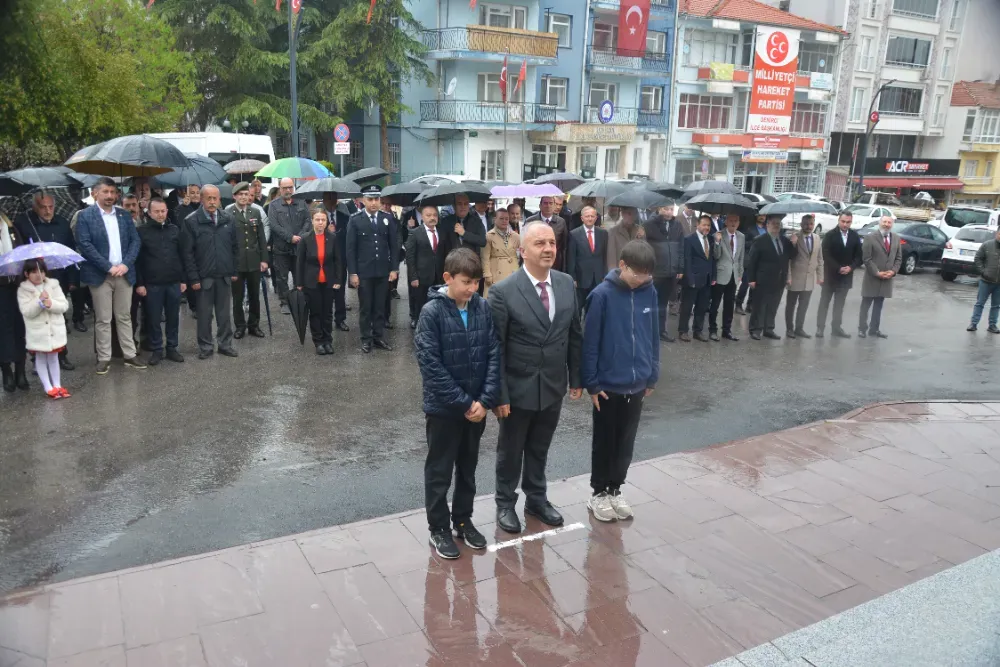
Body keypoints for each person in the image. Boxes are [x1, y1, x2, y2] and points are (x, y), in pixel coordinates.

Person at [488, 221, 583, 534]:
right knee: (511, 450)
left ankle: (536, 498)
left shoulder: (566, 283)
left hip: (553, 385)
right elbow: (495, 349)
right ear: (523, 251)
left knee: (540, 446)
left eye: (552, 243)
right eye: (540, 243)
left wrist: (576, 378)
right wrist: (499, 394)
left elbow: (574, 334)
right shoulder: (503, 292)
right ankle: (505, 502)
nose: (548, 249)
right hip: (517, 389)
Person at [414, 248, 501, 559]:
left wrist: (485, 400)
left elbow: (493, 353)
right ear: (448, 278)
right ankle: (438, 527)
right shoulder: (432, 313)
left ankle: (463, 520)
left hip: (476, 410)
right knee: (440, 470)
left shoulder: (482, 307)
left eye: (476, 282)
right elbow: (430, 365)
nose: (472, 289)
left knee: (468, 468)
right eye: (466, 282)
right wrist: (464, 403)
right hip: (444, 410)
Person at [581, 240, 658, 522]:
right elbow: (590, 343)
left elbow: (653, 335)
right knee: (605, 441)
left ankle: (615, 489)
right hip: (608, 385)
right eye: (637, 274)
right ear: (622, 265)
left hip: (637, 382)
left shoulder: (650, 292)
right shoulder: (601, 296)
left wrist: (652, 373)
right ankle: (599, 493)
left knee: (626, 442)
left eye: (646, 276)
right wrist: (592, 383)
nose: (641, 280)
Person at [75, 176, 146, 374]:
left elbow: (135, 242)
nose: (109, 196)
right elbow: (85, 244)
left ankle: (129, 354)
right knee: (103, 318)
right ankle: (104, 357)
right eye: (105, 192)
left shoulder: (123, 215)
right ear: (94, 193)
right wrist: (107, 266)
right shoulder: (85, 216)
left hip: (124, 273)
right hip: (100, 274)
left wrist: (125, 264)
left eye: (113, 192)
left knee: (124, 316)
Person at [13, 191, 81, 366]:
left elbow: (70, 250)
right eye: (43, 207)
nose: (48, 211)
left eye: (51, 207)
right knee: (36, 321)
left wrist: (73, 279)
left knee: (58, 318)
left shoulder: (62, 223)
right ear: (35, 207)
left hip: (57, 277)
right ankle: (39, 358)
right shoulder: (24, 222)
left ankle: (61, 355)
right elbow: (18, 249)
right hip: (33, 278)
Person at [180, 184, 240, 359]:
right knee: (204, 315)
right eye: (209, 198)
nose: (212, 202)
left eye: (215, 198)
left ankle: (225, 345)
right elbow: (187, 253)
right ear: (201, 199)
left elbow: (235, 248)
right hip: (203, 277)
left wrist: (234, 270)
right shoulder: (191, 221)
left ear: (219, 199)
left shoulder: (228, 219)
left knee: (224, 315)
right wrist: (193, 278)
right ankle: (205, 347)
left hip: (224, 275)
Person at [346, 184, 398, 353]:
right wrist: (353, 273)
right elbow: (350, 249)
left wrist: (394, 269)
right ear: (363, 200)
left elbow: (394, 246)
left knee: (380, 306)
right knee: (366, 307)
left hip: (382, 271)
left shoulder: (387, 218)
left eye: (376, 199)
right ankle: (366, 339)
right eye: (370, 199)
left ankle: (378, 337)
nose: (374, 202)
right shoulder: (355, 219)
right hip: (364, 272)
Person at [135, 197, 186, 365]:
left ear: (167, 211)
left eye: (163, 211)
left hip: (173, 282)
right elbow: (138, 260)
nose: (160, 214)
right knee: (154, 319)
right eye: (156, 211)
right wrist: (140, 283)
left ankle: (172, 347)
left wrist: (183, 279)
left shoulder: (174, 230)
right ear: (149, 213)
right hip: (152, 284)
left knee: (173, 317)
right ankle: (157, 349)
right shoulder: (142, 231)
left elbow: (182, 255)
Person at [17, 259, 70, 399]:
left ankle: (57, 385)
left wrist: (50, 303)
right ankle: (48, 387)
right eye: (34, 272)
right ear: (26, 274)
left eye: (41, 271)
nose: (38, 275)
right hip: (38, 331)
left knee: (53, 357)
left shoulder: (53, 285)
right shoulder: (23, 290)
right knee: (40, 357)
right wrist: (39, 302)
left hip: (54, 329)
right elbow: (27, 311)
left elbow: (64, 305)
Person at [296, 208, 342, 355]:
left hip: (328, 281)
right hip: (311, 282)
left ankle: (328, 340)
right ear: (312, 221)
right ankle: (318, 341)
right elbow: (300, 263)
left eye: (323, 219)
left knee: (327, 313)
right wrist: (299, 283)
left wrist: (338, 279)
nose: (320, 222)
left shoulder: (332, 238)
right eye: (317, 219)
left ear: (327, 221)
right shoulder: (305, 239)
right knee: (315, 312)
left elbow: (338, 261)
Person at [226, 183, 268, 339]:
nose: (243, 197)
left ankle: (254, 325)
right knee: (237, 297)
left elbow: (261, 238)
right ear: (234, 196)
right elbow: (226, 241)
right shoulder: (228, 213)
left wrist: (264, 260)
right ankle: (240, 326)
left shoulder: (255, 212)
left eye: (246, 194)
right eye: (240, 194)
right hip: (236, 263)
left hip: (253, 261)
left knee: (254, 295)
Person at [816, 211, 863, 338]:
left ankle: (836, 328)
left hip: (846, 277)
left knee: (840, 304)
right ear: (838, 220)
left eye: (848, 222)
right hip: (830, 276)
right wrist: (838, 268)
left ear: (851, 222)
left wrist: (851, 267)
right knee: (824, 302)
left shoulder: (854, 236)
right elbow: (825, 254)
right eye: (843, 221)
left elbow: (859, 256)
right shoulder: (830, 235)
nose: (845, 224)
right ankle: (820, 328)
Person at [267, 177, 311, 314]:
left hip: (299, 247)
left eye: (290, 187)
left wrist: (300, 236)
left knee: (299, 275)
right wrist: (290, 237)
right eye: (285, 188)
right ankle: (285, 302)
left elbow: (308, 221)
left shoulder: (301, 202)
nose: (288, 190)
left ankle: (299, 300)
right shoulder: (273, 205)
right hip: (281, 248)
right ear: (280, 189)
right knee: (282, 277)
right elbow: (274, 225)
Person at [746, 216, 793, 340]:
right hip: (763, 278)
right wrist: (751, 279)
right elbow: (752, 261)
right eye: (773, 223)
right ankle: (755, 329)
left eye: (778, 224)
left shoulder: (785, 241)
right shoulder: (759, 240)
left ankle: (769, 329)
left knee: (773, 306)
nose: (776, 226)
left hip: (779, 279)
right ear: (767, 225)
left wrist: (794, 243)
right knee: (760, 306)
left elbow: (792, 256)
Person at [642, 202, 684, 342]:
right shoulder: (648, 225)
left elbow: (681, 247)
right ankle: (647, 331)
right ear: (659, 209)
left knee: (663, 303)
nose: (669, 212)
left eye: (671, 209)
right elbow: (644, 248)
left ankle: (661, 330)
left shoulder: (677, 225)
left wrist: (680, 267)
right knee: (649, 302)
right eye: (666, 209)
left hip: (670, 271)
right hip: (655, 272)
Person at [859, 215, 901, 339]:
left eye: (889, 222)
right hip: (872, 278)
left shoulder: (896, 238)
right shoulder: (870, 238)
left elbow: (898, 258)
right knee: (865, 305)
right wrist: (876, 272)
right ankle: (862, 329)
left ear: (892, 224)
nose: (886, 224)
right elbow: (866, 258)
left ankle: (874, 329)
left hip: (887, 279)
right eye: (884, 222)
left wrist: (893, 271)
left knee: (879, 305)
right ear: (879, 223)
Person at [1, 213, 29, 392]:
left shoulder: (11, 228)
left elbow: (23, 253)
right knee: (2, 330)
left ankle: (20, 370)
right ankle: (6, 371)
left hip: (17, 286)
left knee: (20, 328)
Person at [405, 203, 445, 329]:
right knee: (420, 301)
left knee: (437, 302)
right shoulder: (415, 233)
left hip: (438, 275)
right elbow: (410, 257)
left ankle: (434, 323)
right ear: (422, 217)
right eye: (428, 215)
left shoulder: (442, 232)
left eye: (435, 215)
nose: (432, 218)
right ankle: (418, 321)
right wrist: (413, 277)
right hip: (421, 275)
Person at [678, 215, 716, 342]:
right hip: (693, 279)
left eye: (708, 225)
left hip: (706, 278)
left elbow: (712, 259)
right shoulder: (689, 239)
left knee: (702, 306)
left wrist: (713, 276)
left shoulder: (711, 239)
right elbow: (687, 260)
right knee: (687, 306)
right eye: (704, 224)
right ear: (698, 225)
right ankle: (683, 331)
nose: (707, 227)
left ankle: (697, 331)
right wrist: (689, 278)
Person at [785, 215, 824, 339]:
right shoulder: (794, 237)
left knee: (803, 306)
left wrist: (820, 276)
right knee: (791, 305)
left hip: (809, 279)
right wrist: (788, 276)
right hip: (795, 277)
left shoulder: (817, 238)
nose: (809, 226)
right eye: (806, 224)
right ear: (801, 224)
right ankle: (789, 328)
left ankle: (799, 328)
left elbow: (819, 258)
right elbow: (788, 260)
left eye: (811, 224)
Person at [567, 206, 608, 318]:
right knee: (578, 309)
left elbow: (605, 256)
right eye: (587, 216)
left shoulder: (603, 233)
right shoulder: (574, 234)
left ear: (596, 218)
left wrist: (605, 274)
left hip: (598, 278)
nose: (590, 218)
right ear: (582, 218)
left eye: (592, 216)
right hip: (581, 278)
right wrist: (573, 277)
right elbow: (571, 257)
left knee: (594, 309)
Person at [710, 213, 744, 342]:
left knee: (729, 305)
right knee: (715, 304)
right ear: (726, 222)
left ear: (738, 223)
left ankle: (726, 330)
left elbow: (741, 257)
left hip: (734, 276)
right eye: (731, 220)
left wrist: (740, 274)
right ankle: (713, 330)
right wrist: (717, 242)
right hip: (721, 274)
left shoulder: (741, 236)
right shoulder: (718, 234)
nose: (733, 223)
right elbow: (716, 256)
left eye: (736, 221)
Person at [321, 192, 351, 332]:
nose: (332, 201)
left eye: (334, 198)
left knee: (340, 290)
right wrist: (326, 231)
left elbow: (349, 237)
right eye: (329, 198)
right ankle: (325, 319)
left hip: (341, 259)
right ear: (323, 200)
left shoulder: (344, 216)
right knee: (326, 291)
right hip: (324, 260)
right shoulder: (320, 218)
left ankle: (340, 319)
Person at [481, 207, 520, 300]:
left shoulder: (516, 236)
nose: (504, 221)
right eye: (501, 218)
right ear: (495, 219)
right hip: (495, 272)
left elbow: (523, 253)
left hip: (512, 271)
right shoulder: (489, 236)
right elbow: (485, 257)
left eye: (506, 219)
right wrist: (487, 274)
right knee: (494, 299)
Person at [968, 228, 1000, 333]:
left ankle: (992, 325)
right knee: (980, 303)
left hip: (999, 284)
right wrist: (983, 272)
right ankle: (973, 324)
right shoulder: (987, 245)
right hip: (986, 281)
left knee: (996, 306)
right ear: (997, 233)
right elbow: (978, 259)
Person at [525, 196, 568, 272]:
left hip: (555, 265)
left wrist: (564, 269)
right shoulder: (530, 221)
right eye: (545, 203)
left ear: (554, 205)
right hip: (535, 263)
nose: (548, 206)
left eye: (550, 203)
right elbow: (525, 244)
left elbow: (564, 247)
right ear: (540, 206)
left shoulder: (561, 222)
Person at [735, 213, 767, 315]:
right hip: (750, 260)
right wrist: (755, 241)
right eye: (760, 215)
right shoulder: (750, 229)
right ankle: (738, 304)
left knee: (756, 285)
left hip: (761, 262)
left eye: (764, 216)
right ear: (756, 216)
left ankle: (750, 305)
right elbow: (743, 243)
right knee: (745, 283)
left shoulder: (767, 230)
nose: (762, 217)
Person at [606, 207, 642, 271]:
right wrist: (613, 274)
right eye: (629, 214)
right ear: (622, 214)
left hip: (637, 270)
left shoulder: (640, 230)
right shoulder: (613, 231)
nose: (632, 216)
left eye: (635, 214)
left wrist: (641, 238)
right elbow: (611, 258)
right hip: (621, 271)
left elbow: (644, 253)